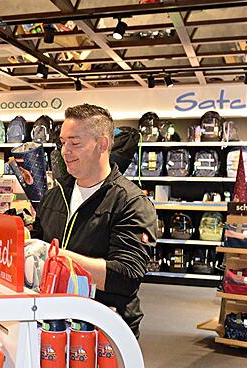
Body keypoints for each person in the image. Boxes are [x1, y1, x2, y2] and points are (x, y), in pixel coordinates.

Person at [31, 103, 157, 337]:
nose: (64, 151)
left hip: (103, 332)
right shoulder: (55, 195)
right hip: (51, 326)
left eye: (75, 143)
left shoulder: (131, 202)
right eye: (62, 142)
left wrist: (55, 256)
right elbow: (36, 246)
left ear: (103, 144)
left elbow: (126, 276)